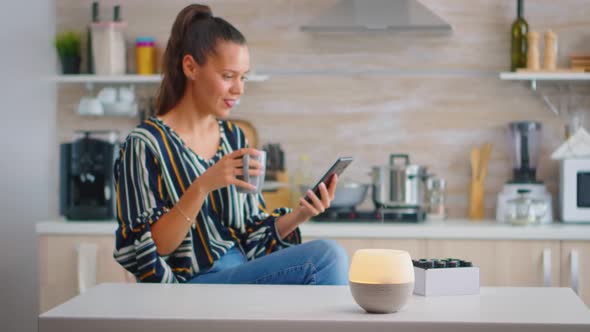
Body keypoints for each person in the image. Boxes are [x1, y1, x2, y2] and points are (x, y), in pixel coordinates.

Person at [113, 4, 349, 285]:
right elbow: (155, 249)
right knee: (326, 256)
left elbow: (252, 235)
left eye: (243, 77)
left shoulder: (234, 138)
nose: (239, 89)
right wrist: (203, 186)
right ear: (190, 67)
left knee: (326, 260)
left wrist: (301, 214)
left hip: (241, 272)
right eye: (228, 76)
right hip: (189, 288)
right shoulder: (145, 144)